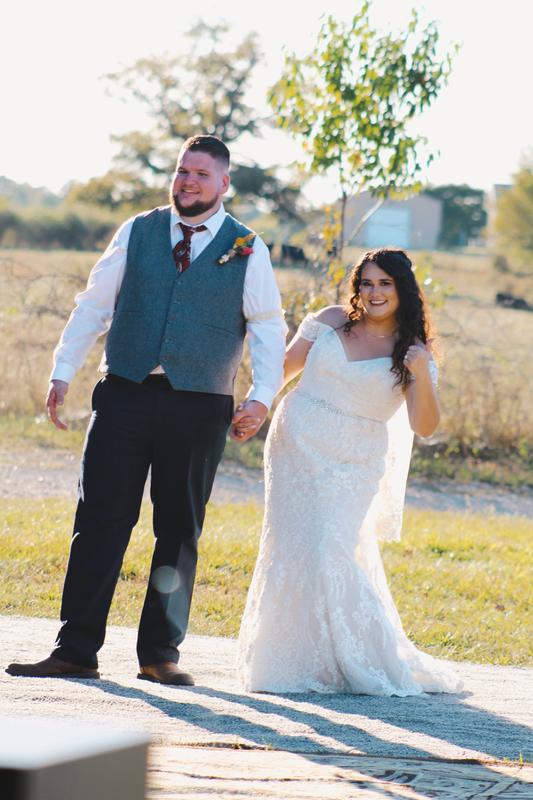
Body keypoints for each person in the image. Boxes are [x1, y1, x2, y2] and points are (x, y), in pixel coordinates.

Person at [7, 135, 286, 685]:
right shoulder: (138, 230)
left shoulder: (248, 246)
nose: (188, 182)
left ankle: (160, 655)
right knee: (99, 522)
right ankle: (75, 649)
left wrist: (261, 395)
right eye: (183, 171)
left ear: (224, 184)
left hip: (201, 403)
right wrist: (62, 370)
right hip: (126, 394)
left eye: (202, 174)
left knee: (179, 529)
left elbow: (268, 325)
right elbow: (94, 303)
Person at [237, 248, 462, 695]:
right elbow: (283, 368)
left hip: (355, 460)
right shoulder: (331, 320)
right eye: (367, 282)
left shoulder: (414, 351)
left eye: (385, 283)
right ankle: (293, 659)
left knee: (332, 544)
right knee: (293, 547)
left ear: (403, 290)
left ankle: (357, 655)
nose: (374, 292)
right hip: (297, 443)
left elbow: (425, 426)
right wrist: (254, 406)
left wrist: (420, 372)